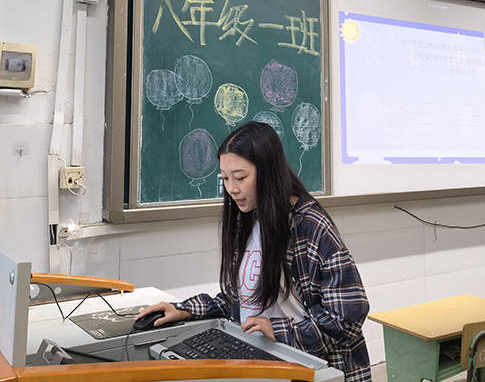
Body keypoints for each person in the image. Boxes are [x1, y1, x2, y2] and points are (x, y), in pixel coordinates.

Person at [136, 121, 371, 381]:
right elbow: (241, 301)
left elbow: (348, 318)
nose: (232, 188)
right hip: (261, 357)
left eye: (240, 177)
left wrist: (280, 332)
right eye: (225, 178)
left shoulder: (309, 225)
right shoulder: (246, 218)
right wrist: (186, 309)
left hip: (308, 365)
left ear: (268, 172)